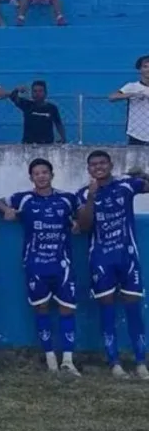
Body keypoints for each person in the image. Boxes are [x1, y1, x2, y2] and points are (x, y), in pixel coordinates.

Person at [0, 158, 81, 376]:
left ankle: (68, 361)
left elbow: (83, 216)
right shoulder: (24, 199)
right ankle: (50, 359)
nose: (41, 176)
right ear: (31, 177)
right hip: (35, 264)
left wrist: (78, 223)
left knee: (67, 309)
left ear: (52, 175)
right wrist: (6, 210)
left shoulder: (67, 199)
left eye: (45, 172)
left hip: (62, 265)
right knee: (41, 309)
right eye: (36, 173)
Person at [76, 151, 149, 379]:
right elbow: (84, 226)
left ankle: (140, 362)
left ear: (110, 165)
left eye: (102, 163)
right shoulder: (82, 194)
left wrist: (143, 175)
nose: (98, 167)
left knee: (133, 309)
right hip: (101, 260)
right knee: (106, 310)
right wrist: (91, 198)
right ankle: (114, 363)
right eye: (93, 164)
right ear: (88, 169)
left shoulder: (125, 185)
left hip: (127, 257)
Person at [108, 55, 149, 146]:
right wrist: (133, 94)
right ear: (140, 69)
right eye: (145, 67)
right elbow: (112, 97)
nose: (148, 70)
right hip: (137, 134)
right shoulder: (132, 86)